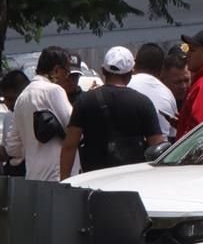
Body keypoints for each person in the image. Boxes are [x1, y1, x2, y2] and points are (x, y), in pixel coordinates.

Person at [59, 46, 165, 178]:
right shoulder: (143, 102)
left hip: (94, 180)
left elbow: (70, 146)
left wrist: (64, 181)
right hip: (133, 180)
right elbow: (157, 146)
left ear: (103, 70)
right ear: (131, 73)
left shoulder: (85, 101)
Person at [4, 46, 76, 182]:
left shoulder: (22, 97)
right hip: (58, 176)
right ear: (56, 70)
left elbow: (13, 148)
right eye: (66, 73)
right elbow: (75, 130)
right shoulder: (54, 91)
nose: (67, 78)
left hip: (33, 177)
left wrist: (33, 150)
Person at [128, 43, 179, 141]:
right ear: (162, 69)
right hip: (161, 153)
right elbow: (172, 135)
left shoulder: (125, 85)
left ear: (135, 63)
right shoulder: (168, 94)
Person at [0, 70, 30, 176]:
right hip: (12, 172)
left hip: (30, 171)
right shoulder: (8, 116)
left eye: (11, 99)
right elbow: (6, 152)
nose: (7, 104)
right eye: (5, 99)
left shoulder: (34, 116)